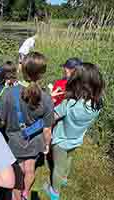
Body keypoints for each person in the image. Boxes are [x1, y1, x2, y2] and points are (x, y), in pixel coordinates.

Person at [43, 63, 105, 200]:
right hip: (77, 138)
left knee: (57, 167)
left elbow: (52, 117)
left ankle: (54, 192)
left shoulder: (69, 104)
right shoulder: (98, 104)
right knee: (69, 157)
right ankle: (64, 178)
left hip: (61, 140)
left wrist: (49, 102)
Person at [0, 52, 53, 200]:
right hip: (35, 142)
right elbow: (47, 129)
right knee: (30, 168)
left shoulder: (8, 93)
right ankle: (26, 192)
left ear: (22, 70)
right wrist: (47, 145)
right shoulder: (47, 98)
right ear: (41, 74)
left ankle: (17, 196)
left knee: (18, 173)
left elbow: (2, 120)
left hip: (14, 142)